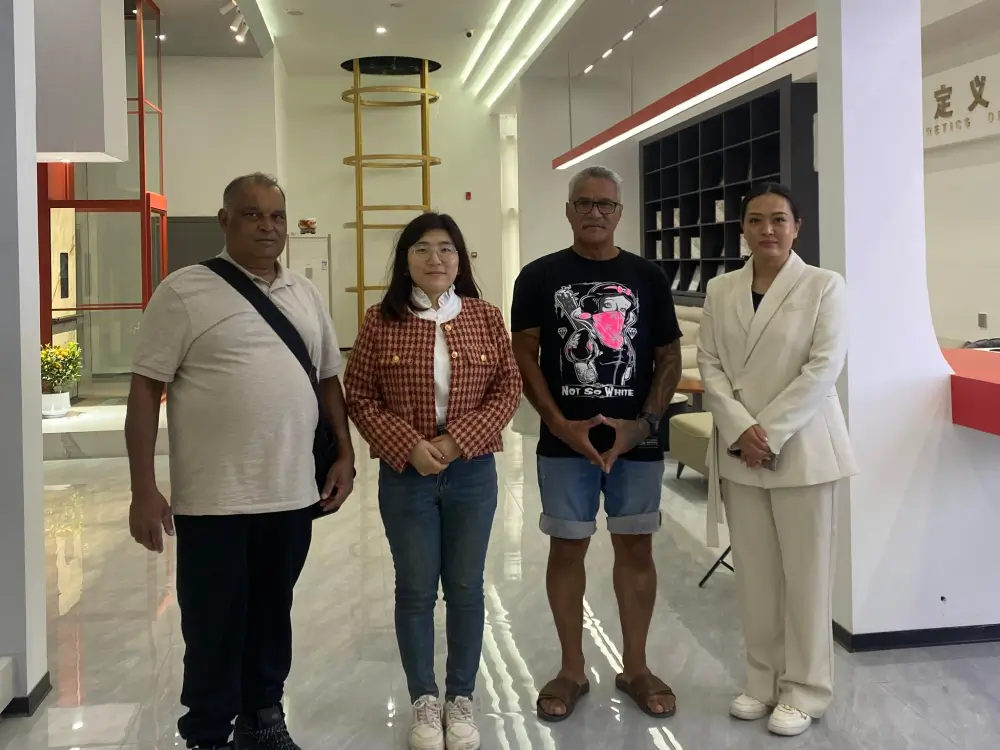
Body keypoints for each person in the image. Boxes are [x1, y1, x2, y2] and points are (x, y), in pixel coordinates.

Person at [125, 173, 355, 750]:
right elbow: (145, 390)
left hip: (292, 492)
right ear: (224, 221)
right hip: (215, 499)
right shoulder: (184, 291)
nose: (267, 226)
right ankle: (207, 733)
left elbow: (328, 378)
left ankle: (263, 718)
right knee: (213, 624)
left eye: (277, 216)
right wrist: (142, 488)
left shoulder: (304, 293)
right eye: (252, 214)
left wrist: (345, 453)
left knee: (273, 615)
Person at [510, 165, 683, 722]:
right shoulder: (538, 277)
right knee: (567, 549)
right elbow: (524, 354)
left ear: (619, 213)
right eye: (583, 202)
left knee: (636, 548)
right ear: (568, 210)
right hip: (565, 444)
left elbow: (668, 356)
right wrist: (559, 423)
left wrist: (643, 425)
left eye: (605, 204)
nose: (594, 212)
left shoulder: (647, 277)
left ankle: (636, 667)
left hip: (636, 443)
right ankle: (571, 669)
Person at [343, 212, 521, 750]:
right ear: (406, 261)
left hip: (472, 473)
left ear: (460, 260)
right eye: (421, 248)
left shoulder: (485, 317)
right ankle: (424, 699)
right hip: (407, 477)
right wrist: (409, 447)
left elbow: (507, 389)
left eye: (446, 248)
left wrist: (457, 441)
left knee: (465, 587)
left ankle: (461, 697)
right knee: (416, 589)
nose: (435, 258)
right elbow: (360, 395)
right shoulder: (381, 320)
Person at [697, 182, 857, 737]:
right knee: (756, 578)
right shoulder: (721, 288)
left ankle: (805, 690)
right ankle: (762, 681)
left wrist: (768, 431)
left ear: (797, 227)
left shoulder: (823, 285)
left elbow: (823, 367)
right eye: (756, 219)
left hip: (802, 449)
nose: (767, 229)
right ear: (742, 227)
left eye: (779, 219)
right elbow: (710, 364)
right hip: (742, 451)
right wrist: (742, 429)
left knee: (807, 577)